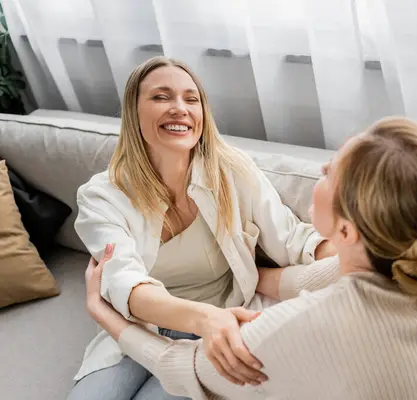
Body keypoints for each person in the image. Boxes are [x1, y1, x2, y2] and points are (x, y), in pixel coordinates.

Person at [84, 116, 417, 400]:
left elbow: (188, 370)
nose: (319, 170)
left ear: (348, 232)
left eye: (329, 173)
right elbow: (304, 279)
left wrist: (102, 311)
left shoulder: (304, 324)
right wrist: (233, 274)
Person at [68, 56, 337, 400]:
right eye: (161, 97)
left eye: (190, 99)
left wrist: (358, 257)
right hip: (141, 327)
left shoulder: (231, 171)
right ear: (133, 113)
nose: (179, 108)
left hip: (220, 327)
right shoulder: (102, 196)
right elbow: (125, 285)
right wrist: (202, 318)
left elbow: (294, 240)